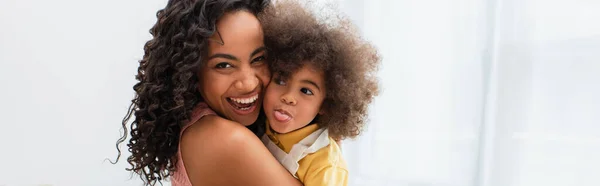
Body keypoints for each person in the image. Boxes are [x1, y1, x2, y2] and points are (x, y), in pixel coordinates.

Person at [114, 0, 301, 185]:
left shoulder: (195, 121)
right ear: (191, 71)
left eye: (259, 59)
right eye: (224, 65)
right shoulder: (227, 140)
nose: (248, 83)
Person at [257, 0, 380, 185]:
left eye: (306, 91)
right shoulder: (261, 123)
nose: (288, 97)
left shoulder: (325, 164)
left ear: (326, 104)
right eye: (281, 80)